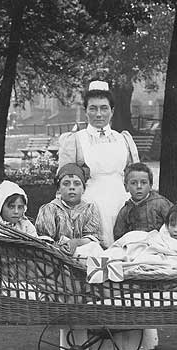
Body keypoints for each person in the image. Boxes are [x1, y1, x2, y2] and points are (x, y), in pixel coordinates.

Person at [58, 80, 139, 248]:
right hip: (89, 206)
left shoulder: (122, 139)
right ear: (85, 111)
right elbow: (63, 182)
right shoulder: (75, 140)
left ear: (112, 110)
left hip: (122, 203)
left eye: (104, 108)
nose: (99, 114)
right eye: (93, 108)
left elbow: (135, 175)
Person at [35, 163, 103, 258]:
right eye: (66, 184)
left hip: (83, 254)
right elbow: (45, 239)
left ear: (84, 189)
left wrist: (76, 243)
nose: (71, 187)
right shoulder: (50, 209)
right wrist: (59, 247)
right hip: (56, 254)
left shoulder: (90, 209)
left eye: (77, 183)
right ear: (58, 188)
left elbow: (92, 237)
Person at [113, 162, 173, 240]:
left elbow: (175, 224)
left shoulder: (160, 203)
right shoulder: (126, 210)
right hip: (135, 245)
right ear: (126, 187)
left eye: (143, 183)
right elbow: (119, 235)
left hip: (159, 243)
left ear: (151, 185)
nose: (139, 187)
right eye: (133, 183)